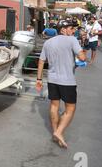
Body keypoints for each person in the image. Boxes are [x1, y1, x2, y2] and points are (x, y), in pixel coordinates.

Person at [36, 19, 86, 149]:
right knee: (70, 109)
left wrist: (39, 79)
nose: (73, 31)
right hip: (67, 81)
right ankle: (58, 132)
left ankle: (55, 134)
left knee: (54, 106)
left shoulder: (48, 42)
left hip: (52, 80)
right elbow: (82, 58)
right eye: (71, 28)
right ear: (63, 29)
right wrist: (82, 50)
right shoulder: (72, 40)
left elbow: (41, 61)